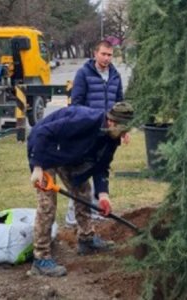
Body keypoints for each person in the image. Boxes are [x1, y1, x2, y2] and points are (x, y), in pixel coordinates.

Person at [27, 102, 134, 277]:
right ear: (112, 122)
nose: (123, 136)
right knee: (48, 205)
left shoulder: (111, 138)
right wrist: (37, 166)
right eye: (122, 131)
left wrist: (104, 196)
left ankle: (86, 239)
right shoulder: (85, 120)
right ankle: (40, 259)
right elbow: (43, 132)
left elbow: (101, 167)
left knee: (84, 192)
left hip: (69, 155)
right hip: (44, 149)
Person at [65, 40, 128, 226]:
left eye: (110, 55)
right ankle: (73, 216)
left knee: (101, 168)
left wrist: (122, 128)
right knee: (82, 172)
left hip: (108, 133)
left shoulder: (115, 76)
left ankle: (97, 209)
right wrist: (83, 125)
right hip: (89, 131)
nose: (107, 58)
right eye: (103, 54)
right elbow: (76, 103)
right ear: (95, 54)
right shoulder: (84, 74)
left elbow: (120, 104)